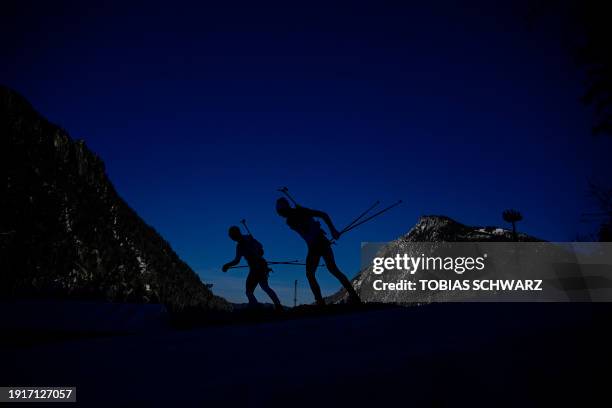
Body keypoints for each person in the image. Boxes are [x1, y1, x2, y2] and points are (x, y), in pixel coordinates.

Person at [275, 197, 361, 305]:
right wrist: (331, 230)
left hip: (317, 244)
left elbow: (322, 215)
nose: (280, 215)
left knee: (315, 273)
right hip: (319, 243)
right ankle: (352, 296)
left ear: (284, 209)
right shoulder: (293, 217)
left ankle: (321, 302)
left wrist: (332, 230)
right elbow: (320, 218)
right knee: (331, 270)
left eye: (280, 212)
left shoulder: (297, 214)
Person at [222, 226, 283, 310]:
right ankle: (278, 306)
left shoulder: (240, 246)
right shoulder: (249, 238)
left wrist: (227, 265)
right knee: (265, 287)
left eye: (231, 236)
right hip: (262, 266)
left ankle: (255, 307)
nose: (232, 238)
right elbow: (261, 248)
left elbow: (236, 261)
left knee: (249, 292)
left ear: (234, 236)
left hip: (255, 269)